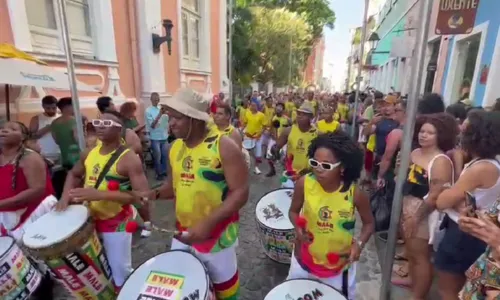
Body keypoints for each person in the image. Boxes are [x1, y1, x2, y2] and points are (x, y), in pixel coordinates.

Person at [153, 88, 248, 300]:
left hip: (218, 236)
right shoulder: (175, 147)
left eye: (177, 118)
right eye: (170, 118)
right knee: (185, 285)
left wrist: (208, 223)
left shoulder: (223, 146)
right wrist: (151, 194)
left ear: (195, 120)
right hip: (183, 232)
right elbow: (173, 186)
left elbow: (240, 192)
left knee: (225, 290)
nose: (171, 124)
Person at [55, 111, 149, 291]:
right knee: (95, 269)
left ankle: (126, 293)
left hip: (116, 222)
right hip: (89, 219)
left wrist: (99, 194)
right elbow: (74, 174)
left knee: (120, 271)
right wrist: (65, 197)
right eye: (98, 122)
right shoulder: (88, 153)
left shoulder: (128, 158)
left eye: (107, 123)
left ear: (119, 130)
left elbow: (142, 195)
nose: (100, 126)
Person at [287, 132, 374, 299]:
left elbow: (369, 224)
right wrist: (298, 228)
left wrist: (359, 245)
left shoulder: (355, 194)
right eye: (314, 163)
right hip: (303, 260)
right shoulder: (304, 183)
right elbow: (293, 211)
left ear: (342, 168)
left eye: (326, 166)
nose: (318, 169)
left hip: (338, 268)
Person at [435, 110, 500, 300]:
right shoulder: (490, 163)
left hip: (463, 234)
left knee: (449, 290)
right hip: (475, 232)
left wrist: (446, 189)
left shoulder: (481, 168)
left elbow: (442, 201)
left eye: (465, 130)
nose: (460, 133)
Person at [395, 113, 457, 299]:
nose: (424, 135)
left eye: (430, 133)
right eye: (422, 131)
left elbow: (435, 195)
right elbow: (404, 180)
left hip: (424, 215)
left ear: (441, 136)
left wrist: (415, 217)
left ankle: (419, 295)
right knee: (411, 255)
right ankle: (413, 283)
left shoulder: (440, 161)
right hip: (407, 208)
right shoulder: (414, 153)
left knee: (421, 257)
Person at [0, 121, 57, 299]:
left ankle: (44, 290)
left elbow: (37, 190)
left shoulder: (30, 158)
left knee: (38, 260)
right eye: (3, 127)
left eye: (13, 129)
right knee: (16, 262)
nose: (4, 130)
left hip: (33, 214)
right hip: (8, 215)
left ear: (23, 137)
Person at [273, 102, 318, 182]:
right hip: (290, 172)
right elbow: (276, 147)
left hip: (308, 175)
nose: (300, 116)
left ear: (311, 117)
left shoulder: (317, 134)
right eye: (299, 113)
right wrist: (275, 151)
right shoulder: (288, 131)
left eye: (304, 114)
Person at [50, 97, 82, 198]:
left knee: (68, 179)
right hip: (77, 155)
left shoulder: (54, 123)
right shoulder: (74, 121)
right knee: (79, 180)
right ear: (68, 107)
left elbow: (56, 140)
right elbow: (78, 138)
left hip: (64, 156)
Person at [363, 94, 399, 181]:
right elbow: (366, 133)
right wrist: (371, 122)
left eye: (388, 105)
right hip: (379, 157)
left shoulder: (399, 121)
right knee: (377, 182)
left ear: (395, 106)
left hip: (393, 160)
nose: (385, 108)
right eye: (383, 105)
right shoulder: (379, 120)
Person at [29, 95, 60, 164]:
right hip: (43, 154)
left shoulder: (61, 118)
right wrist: (46, 129)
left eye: (54, 108)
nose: (51, 110)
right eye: (48, 108)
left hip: (60, 153)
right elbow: (30, 137)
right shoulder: (36, 119)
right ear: (43, 106)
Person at [145, 92, 169, 180]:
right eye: (155, 99)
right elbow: (152, 125)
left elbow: (166, 121)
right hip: (155, 138)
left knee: (165, 156)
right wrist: (160, 114)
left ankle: (164, 172)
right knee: (157, 157)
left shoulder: (161, 108)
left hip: (164, 136)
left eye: (158, 99)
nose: (157, 101)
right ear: (151, 100)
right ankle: (158, 174)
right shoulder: (148, 111)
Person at [243, 101, 267, 174]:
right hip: (248, 136)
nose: (253, 107)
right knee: (246, 153)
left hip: (257, 137)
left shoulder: (261, 115)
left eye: (254, 105)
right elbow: (245, 123)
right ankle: (245, 167)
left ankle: (256, 168)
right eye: (251, 105)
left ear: (257, 106)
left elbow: (264, 126)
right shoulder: (247, 113)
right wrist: (242, 131)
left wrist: (260, 134)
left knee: (257, 153)